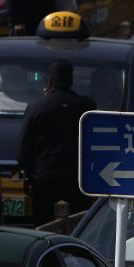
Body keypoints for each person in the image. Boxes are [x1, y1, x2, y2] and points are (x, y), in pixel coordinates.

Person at [17, 59, 96, 225]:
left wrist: (31, 175)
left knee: (44, 227)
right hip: (78, 181)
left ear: (49, 82)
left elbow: (24, 148)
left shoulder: (37, 107)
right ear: (71, 81)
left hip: (45, 182)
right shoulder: (86, 106)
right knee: (79, 227)